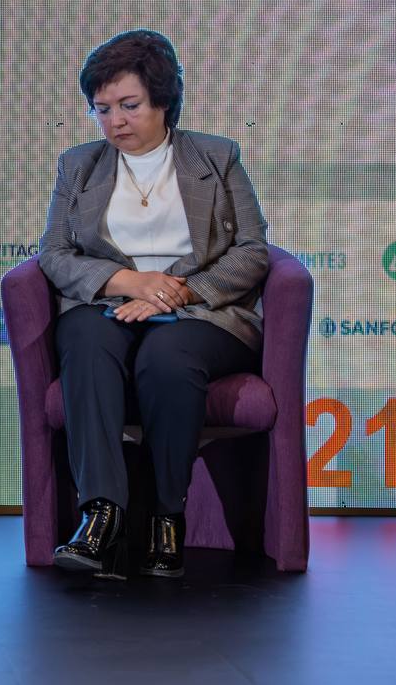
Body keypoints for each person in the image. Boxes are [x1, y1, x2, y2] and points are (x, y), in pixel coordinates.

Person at [37, 29, 268, 579]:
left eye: (129, 105)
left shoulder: (216, 157)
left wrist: (177, 291)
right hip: (111, 304)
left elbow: (253, 251)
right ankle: (101, 516)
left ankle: (167, 516)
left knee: (166, 357)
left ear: (162, 100)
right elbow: (54, 254)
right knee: (85, 341)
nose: (115, 121)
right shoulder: (79, 165)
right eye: (102, 109)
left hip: (201, 311)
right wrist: (128, 281)